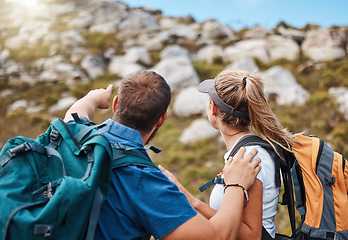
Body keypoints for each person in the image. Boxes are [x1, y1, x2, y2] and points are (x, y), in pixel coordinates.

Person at [63, 70, 262, 240]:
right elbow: (217, 236)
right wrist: (236, 185)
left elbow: (78, 111)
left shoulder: (75, 133)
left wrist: (94, 97)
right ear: (161, 119)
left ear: (116, 104)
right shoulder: (145, 182)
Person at [160, 70, 298, 240]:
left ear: (214, 108)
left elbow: (252, 236)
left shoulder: (249, 157)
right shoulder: (244, 151)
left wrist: (189, 200)